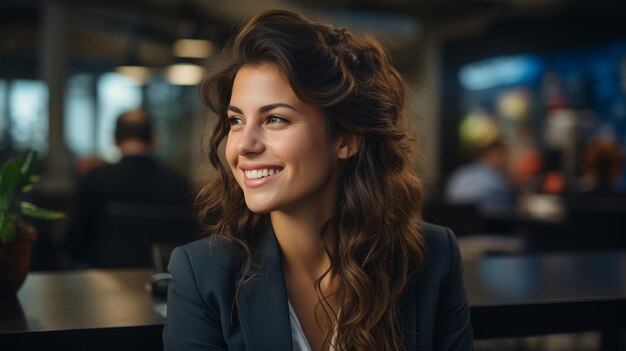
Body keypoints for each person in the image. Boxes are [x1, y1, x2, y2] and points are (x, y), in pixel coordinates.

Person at [163, 10, 473, 351]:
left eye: (276, 119)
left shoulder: (431, 258)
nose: (243, 145)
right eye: (236, 121)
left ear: (345, 139)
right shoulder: (202, 274)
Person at [64, 108, 194, 268]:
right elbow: (190, 242)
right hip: (163, 282)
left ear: (115, 139)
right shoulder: (178, 182)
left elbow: (72, 243)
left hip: (103, 282)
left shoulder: (97, 179)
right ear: (154, 139)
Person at [444, 139, 515, 218]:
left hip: (455, 224)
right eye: (505, 157)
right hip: (483, 226)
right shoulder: (496, 179)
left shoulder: (461, 172)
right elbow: (506, 211)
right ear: (496, 155)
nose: (506, 161)